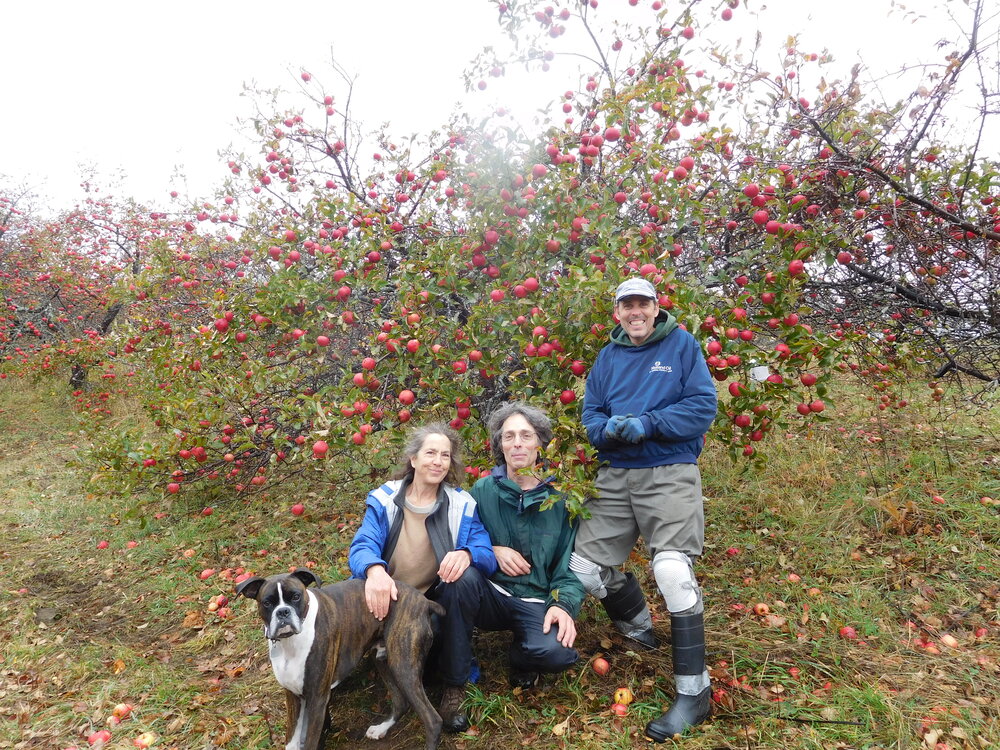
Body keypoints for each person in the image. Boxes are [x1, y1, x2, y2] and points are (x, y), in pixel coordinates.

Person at [569, 277, 718, 741]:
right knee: (584, 568)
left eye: (642, 304)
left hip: (668, 469)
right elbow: (590, 414)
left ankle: (695, 693)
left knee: (672, 571)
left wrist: (648, 424)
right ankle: (636, 625)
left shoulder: (681, 345)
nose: (635, 311)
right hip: (615, 475)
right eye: (626, 305)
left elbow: (702, 407)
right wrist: (606, 429)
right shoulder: (608, 356)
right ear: (617, 312)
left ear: (656, 308)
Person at [348, 422, 497, 734]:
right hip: (387, 601)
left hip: (430, 607)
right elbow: (363, 545)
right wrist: (374, 571)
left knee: (466, 578)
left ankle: (454, 686)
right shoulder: (385, 499)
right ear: (413, 459)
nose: (438, 461)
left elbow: (485, 551)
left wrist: (467, 553)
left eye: (445, 455)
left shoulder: (460, 503)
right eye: (430, 452)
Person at [467, 402, 582, 688]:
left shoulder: (562, 499)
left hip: (535, 599)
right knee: (456, 580)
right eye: (509, 436)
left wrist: (563, 604)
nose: (517, 443)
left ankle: (522, 654)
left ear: (541, 443)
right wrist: (492, 550)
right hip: (491, 594)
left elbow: (570, 564)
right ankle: (455, 669)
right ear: (500, 445)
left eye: (526, 435)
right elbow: (464, 538)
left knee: (558, 654)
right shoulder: (482, 490)